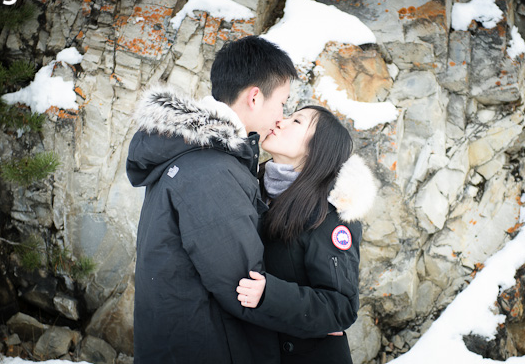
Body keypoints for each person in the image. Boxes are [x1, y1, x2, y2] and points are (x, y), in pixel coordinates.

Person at [126, 35, 374, 364]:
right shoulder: (215, 171)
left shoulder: (210, 161)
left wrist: (318, 315)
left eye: (294, 117)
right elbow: (240, 288)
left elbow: (337, 304)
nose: (282, 116)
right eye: (284, 103)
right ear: (255, 98)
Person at [236, 106, 377, 363]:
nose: (281, 121)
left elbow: (341, 308)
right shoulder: (252, 186)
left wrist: (270, 295)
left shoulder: (329, 212)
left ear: (317, 148)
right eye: (288, 115)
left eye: (297, 121)